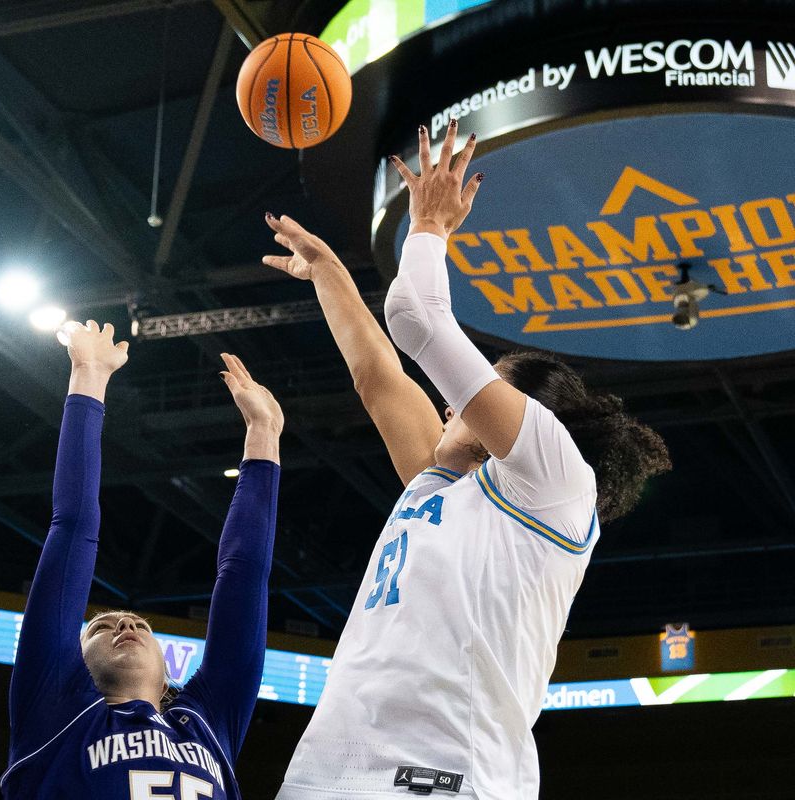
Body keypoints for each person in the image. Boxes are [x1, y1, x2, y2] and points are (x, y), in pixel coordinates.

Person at [265, 122, 670, 799]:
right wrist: (329, 272)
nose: (452, 405)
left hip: (445, 776)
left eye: (477, 391)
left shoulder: (554, 481)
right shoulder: (442, 482)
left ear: (519, 416)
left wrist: (429, 226)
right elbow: (378, 378)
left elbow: (419, 319)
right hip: (327, 772)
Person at [0, 320, 284, 800]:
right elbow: (72, 527)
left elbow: (245, 576)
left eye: (139, 624)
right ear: (73, 661)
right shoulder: (56, 710)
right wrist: (87, 376)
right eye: (99, 627)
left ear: (168, 670)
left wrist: (265, 432)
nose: (125, 624)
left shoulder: (206, 723)